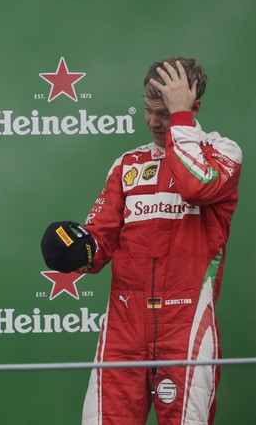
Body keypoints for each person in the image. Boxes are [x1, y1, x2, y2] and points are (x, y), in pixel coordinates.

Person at [41, 58, 242, 424]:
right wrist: (77, 250)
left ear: (193, 107)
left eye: (164, 112)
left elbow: (195, 187)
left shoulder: (223, 153)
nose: (153, 121)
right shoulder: (127, 166)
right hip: (123, 329)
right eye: (148, 110)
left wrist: (179, 121)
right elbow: (99, 244)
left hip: (186, 325)